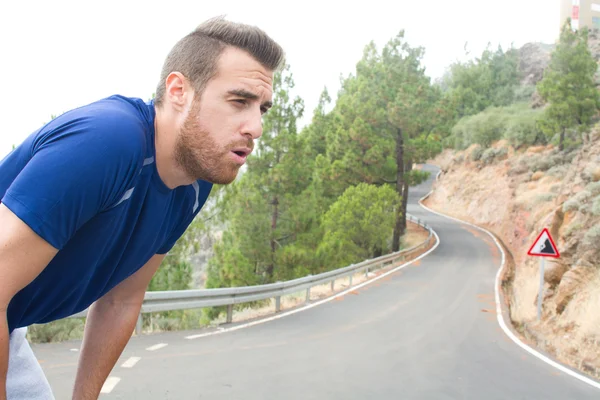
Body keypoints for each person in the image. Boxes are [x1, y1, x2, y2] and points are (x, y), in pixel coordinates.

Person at [0, 15, 283, 399]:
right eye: (239, 101)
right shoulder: (107, 143)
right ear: (179, 90)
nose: (256, 127)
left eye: (262, 109)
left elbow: (122, 298)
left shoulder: (194, 185)